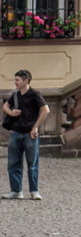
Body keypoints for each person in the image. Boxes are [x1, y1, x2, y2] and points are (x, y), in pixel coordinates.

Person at [3, 70, 50, 200]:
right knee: (13, 163)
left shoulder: (34, 94)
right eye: (15, 79)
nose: (15, 82)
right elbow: (5, 106)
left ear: (26, 81)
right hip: (16, 132)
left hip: (30, 133)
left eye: (17, 80)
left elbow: (45, 110)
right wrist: (11, 113)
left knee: (32, 163)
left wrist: (35, 127)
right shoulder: (16, 95)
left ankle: (34, 191)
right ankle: (16, 190)